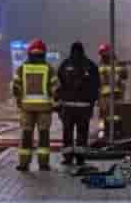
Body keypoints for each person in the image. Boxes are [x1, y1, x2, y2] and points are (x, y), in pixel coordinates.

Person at [12, 38, 59, 171]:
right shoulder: (48, 68)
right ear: (44, 53)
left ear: (29, 52)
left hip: (26, 108)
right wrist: (56, 101)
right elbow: (55, 88)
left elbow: (16, 87)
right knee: (43, 136)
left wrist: (19, 99)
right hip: (44, 108)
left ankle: (24, 163)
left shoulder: (22, 68)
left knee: (26, 135)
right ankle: (43, 164)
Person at [56, 41, 99, 166]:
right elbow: (96, 86)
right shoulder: (91, 66)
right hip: (84, 108)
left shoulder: (65, 65)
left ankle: (68, 158)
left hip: (67, 107)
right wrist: (91, 103)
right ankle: (80, 159)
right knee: (82, 133)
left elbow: (58, 86)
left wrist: (59, 105)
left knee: (67, 133)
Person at [97, 43, 128, 140]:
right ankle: (105, 134)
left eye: (104, 52)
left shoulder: (117, 63)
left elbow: (125, 75)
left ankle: (116, 133)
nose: (102, 55)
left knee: (116, 116)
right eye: (101, 53)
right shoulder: (100, 65)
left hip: (115, 94)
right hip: (104, 95)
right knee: (105, 116)